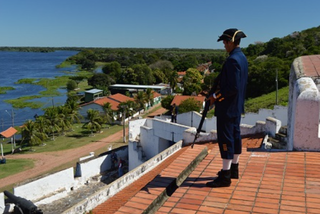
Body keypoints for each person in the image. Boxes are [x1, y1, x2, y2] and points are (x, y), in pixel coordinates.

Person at [206, 28, 248, 188]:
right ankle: (233, 169)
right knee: (235, 136)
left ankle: (225, 176)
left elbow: (232, 87)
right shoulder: (242, 57)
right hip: (236, 107)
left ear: (231, 42)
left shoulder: (232, 60)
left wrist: (215, 97)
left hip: (228, 107)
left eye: (225, 42)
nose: (224, 45)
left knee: (226, 140)